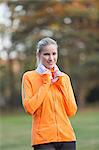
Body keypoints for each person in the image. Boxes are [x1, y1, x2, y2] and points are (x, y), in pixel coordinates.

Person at [22, 37, 77, 150]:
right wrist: (46, 82)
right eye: (46, 54)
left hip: (67, 137)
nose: (51, 58)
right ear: (38, 55)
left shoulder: (64, 78)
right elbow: (30, 108)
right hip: (43, 139)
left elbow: (71, 111)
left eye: (54, 54)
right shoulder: (29, 77)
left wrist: (60, 83)